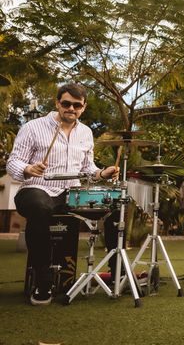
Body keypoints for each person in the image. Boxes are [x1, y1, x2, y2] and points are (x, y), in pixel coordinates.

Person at [7, 83, 119, 305]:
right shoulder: (33, 127)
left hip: (71, 193)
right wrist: (28, 169)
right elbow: (13, 162)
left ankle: (118, 273)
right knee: (40, 207)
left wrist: (102, 173)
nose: (71, 108)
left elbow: (87, 169)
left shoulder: (86, 133)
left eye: (76, 105)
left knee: (116, 205)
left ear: (83, 107)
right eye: (66, 103)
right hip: (36, 188)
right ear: (57, 103)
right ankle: (42, 279)